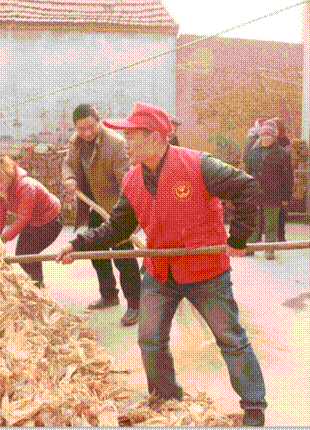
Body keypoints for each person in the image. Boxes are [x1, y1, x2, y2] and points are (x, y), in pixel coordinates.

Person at [56, 103, 267, 426]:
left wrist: (238, 238)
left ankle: (253, 405)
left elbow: (247, 187)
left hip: (205, 271)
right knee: (150, 340)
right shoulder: (132, 180)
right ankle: (166, 400)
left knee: (231, 340)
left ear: (155, 138)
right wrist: (78, 244)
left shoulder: (198, 165)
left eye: (131, 137)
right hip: (160, 271)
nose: (125, 144)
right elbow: (117, 227)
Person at [61, 103, 141, 326]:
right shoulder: (75, 142)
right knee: (96, 252)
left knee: (123, 256)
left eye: (91, 127)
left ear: (99, 121)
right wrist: (70, 177)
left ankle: (135, 304)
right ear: (75, 127)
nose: (87, 133)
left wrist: (123, 216)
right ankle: (109, 295)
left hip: (116, 208)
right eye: (81, 129)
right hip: (95, 206)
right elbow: (67, 164)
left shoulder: (116, 144)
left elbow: (127, 183)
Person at [0, 155, 62, 288]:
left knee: (27, 254)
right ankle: (38, 283)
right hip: (32, 221)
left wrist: (3, 238)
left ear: (8, 177)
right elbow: (0, 217)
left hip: (51, 220)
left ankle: (38, 285)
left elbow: (23, 218)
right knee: (21, 255)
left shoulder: (25, 186)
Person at [247, 119, 293, 260]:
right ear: (260, 136)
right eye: (263, 135)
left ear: (274, 137)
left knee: (271, 224)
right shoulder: (253, 151)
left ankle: (269, 249)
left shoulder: (283, 154)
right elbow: (248, 173)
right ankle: (251, 247)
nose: (265, 138)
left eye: (268, 135)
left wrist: (286, 197)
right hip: (255, 193)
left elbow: (288, 177)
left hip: (274, 194)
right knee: (254, 222)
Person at [272, 117, 291, 241]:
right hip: (271, 177)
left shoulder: (285, 140)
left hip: (281, 177)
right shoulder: (269, 138)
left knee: (281, 210)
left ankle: (281, 235)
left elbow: (288, 156)